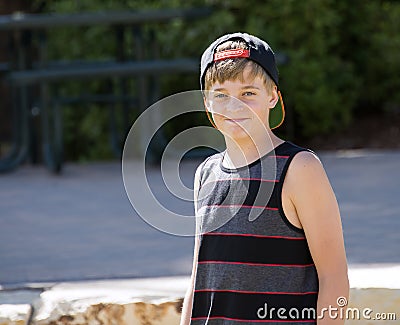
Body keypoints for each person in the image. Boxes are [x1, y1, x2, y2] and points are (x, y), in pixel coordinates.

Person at [180, 32, 349, 324]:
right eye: (221, 95)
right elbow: (200, 276)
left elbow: (334, 278)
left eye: (248, 93)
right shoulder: (205, 174)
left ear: (272, 96)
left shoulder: (299, 169)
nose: (234, 107)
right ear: (207, 102)